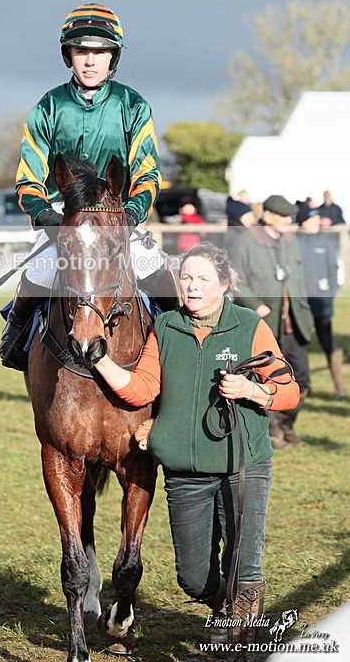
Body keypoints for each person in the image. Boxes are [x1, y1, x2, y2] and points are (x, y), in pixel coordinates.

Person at [93, 242, 299, 659]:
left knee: (243, 566)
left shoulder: (248, 326)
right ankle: (231, 613)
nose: (192, 286)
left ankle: (238, 636)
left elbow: (289, 391)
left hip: (242, 465)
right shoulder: (166, 326)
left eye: (204, 279)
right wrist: (99, 361)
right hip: (185, 473)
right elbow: (142, 388)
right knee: (193, 579)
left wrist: (252, 390)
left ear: (223, 284)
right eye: (186, 277)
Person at [0, 2, 177, 371]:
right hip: (64, 213)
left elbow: (148, 173)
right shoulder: (48, 106)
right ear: (69, 56)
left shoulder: (134, 106)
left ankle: (179, 340)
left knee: (155, 269)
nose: (91, 60)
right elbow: (28, 178)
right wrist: (45, 216)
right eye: (81, 51)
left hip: (116, 213)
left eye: (100, 52)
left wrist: (131, 213)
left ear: (113, 57)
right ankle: (15, 333)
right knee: (40, 270)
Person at [230, 195, 313, 449]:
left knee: (302, 379)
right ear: (267, 216)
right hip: (265, 323)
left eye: (290, 216)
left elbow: (299, 279)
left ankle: (288, 425)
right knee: (268, 377)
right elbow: (236, 279)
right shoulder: (246, 241)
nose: (289, 221)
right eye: (284, 216)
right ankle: (273, 429)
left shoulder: (290, 241)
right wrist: (255, 304)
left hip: (293, 322)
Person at [296, 201, 347, 397]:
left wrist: (329, 294)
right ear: (303, 221)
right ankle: (303, 386)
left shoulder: (324, 242)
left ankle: (340, 387)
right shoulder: (294, 243)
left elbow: (333, 270)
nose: (317, 221)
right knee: (300, 346)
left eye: (318, 217)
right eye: (313, 218)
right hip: (301, 305)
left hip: (322, 305)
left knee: (328, 344)